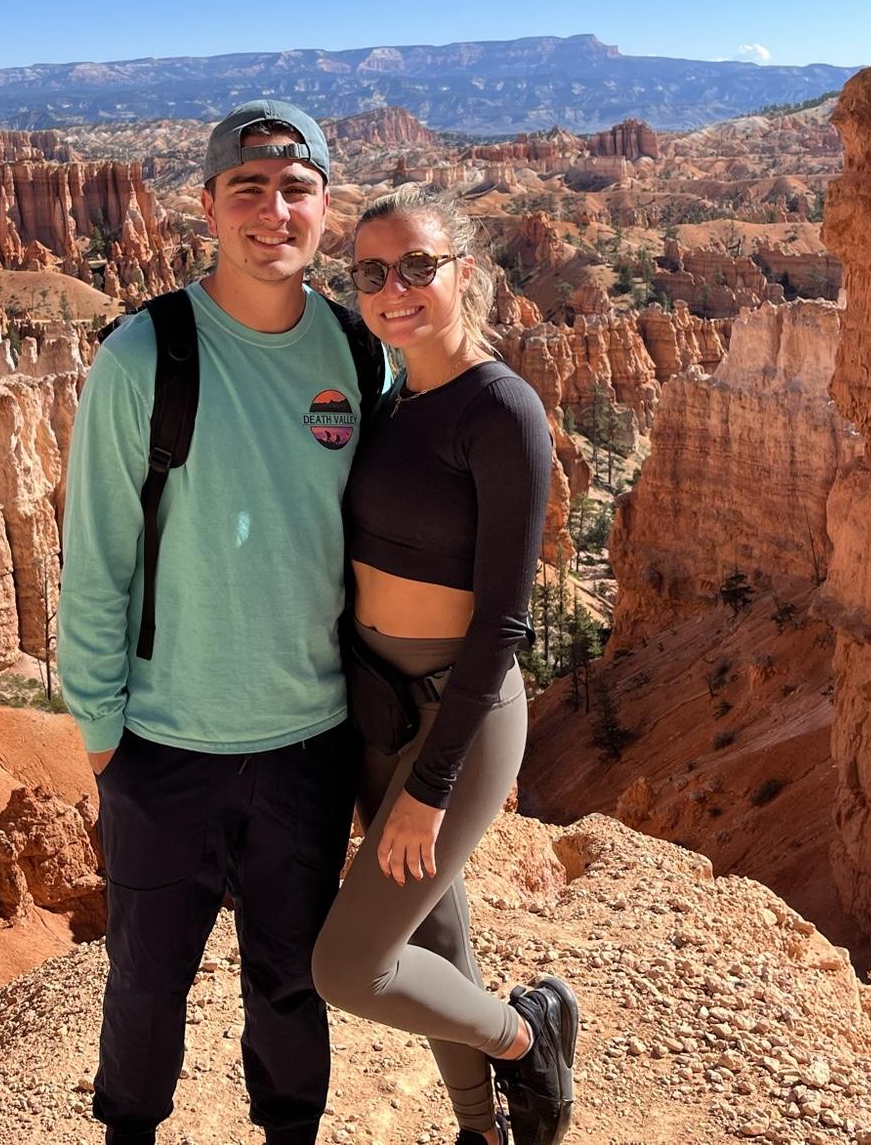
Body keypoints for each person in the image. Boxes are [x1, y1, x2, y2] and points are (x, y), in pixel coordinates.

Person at [57, 99, 384, 1145]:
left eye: (296, 189)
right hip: (164, 746)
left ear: (326, 208)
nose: (273, 210)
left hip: (309, 743)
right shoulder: (145, 357)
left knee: (291, 986)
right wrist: (103, 733)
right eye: (248, 188)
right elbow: (96, 556)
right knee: (146, 987)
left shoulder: (356, 353)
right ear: (207, 206)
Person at [310, 184, 579, 1145]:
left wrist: (430, 781)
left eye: (418, 265)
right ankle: (483, 1130)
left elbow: (504, 622)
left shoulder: (502, 410)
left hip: (454, 717)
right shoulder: (389, 400)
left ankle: (526, 1036)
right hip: (373, 705)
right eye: (373, 273)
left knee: (350, 966)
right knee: (434, 931)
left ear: (463, 268)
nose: (395, 289)